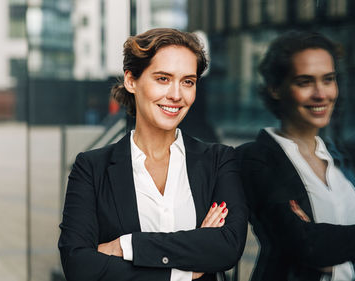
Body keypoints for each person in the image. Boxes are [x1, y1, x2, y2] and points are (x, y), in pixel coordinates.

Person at [58, 28, 248, 281]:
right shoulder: (91, 168)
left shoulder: (218, 161)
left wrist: (127, 246)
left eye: (188, 81)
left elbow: (227, 247)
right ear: (131, 80)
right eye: (163, 79)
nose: (176, 95)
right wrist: (186, 267)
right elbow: (79, 266)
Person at [236, 30, 355, 281]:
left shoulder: (351, 158)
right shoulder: (256, 159)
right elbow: (306, 246)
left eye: (328, 79)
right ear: (275, 88)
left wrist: (335, 257)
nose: (321, 94)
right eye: (305, 82)